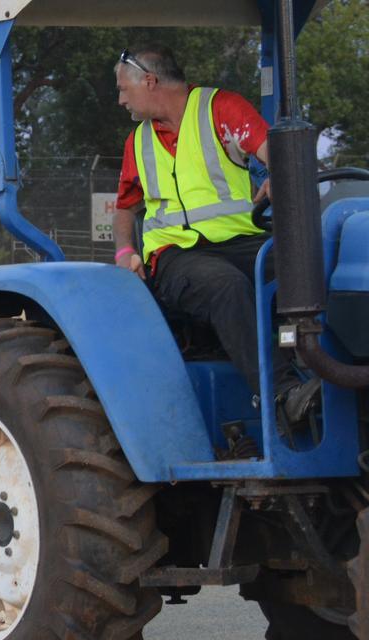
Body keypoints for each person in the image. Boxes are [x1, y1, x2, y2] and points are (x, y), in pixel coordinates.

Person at [110, 44, 318, 426]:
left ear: (150, 82)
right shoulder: (137, 142)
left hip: (242, 244)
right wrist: (125, 251)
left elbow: (270, 148)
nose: (121, 99)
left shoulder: (219, 109)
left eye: (124, 89)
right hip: (175, 257)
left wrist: (279, 173)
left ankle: (328, 370)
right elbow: (125, 208)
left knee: (312, 265)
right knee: (225, 285)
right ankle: (285, 393)